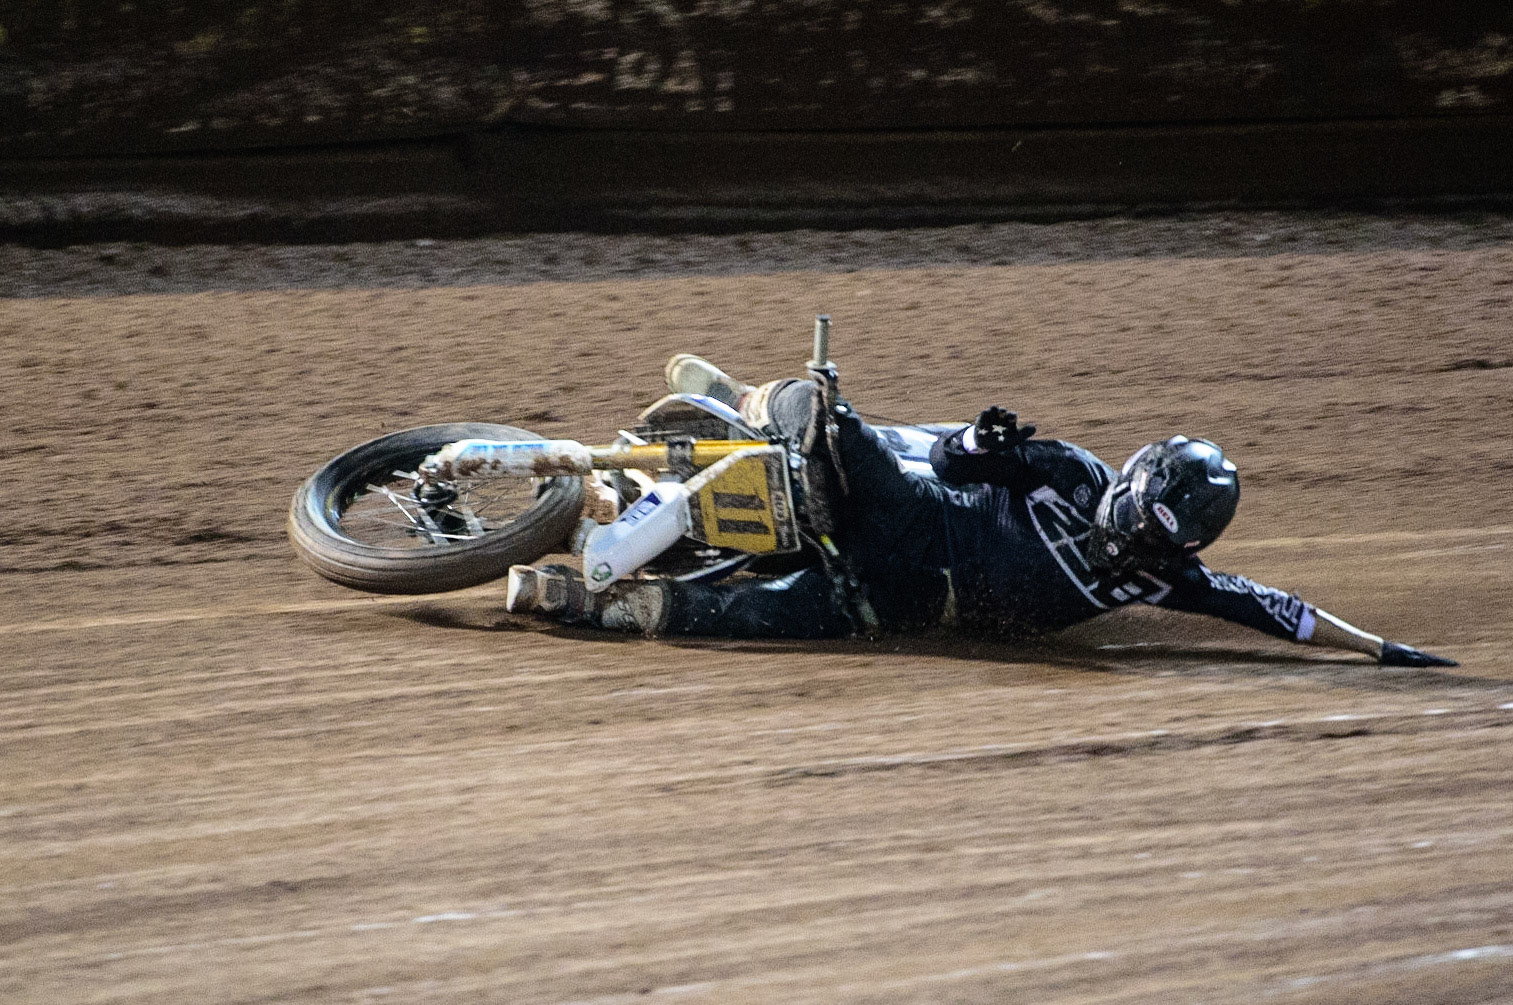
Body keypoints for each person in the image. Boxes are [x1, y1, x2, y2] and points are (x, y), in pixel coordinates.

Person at [505, 354, 1457, 668]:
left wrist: (1379, 648)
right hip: (918, 513)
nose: (1136, 537)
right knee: (824, 410)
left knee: (738, 621)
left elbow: (1278, 610)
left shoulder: (1173, 578)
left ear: (1184, 541)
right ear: (1131, 479)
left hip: (903, 604)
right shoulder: (1069, 469)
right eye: (1139, 513)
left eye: (1161, 536)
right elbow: (955, 452)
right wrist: (981, 448)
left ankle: (572, 597)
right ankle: (750, 397)